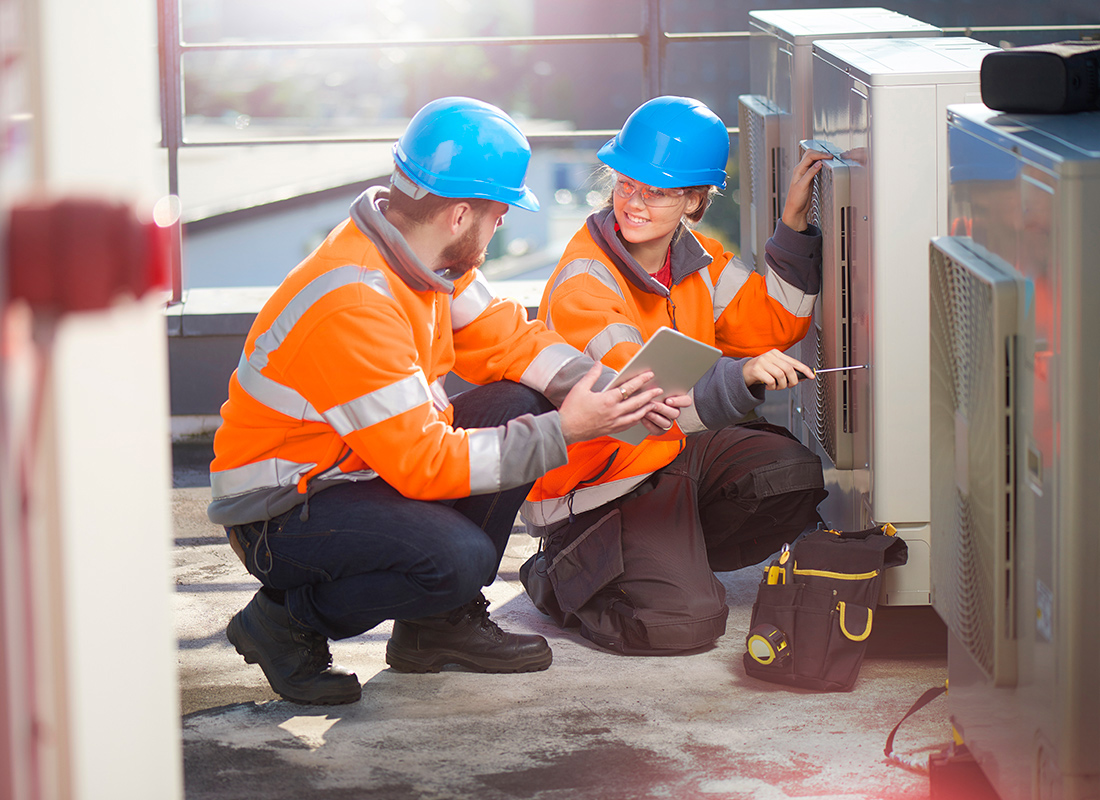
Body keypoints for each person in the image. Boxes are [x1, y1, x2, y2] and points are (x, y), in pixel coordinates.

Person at [208, 97, 680, 705]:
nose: (505, 223)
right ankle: (284, 621)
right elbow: (425, 465)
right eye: (500, 210)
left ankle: (435, 630)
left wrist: (605, 391)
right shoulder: (355, 301)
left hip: (351, 473)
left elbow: (511, 341)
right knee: (457, 558)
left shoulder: (422, 256)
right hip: (281, 514)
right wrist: (569, 430)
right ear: (460, 214)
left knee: (519, 400)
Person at [519, 96, 832, 655]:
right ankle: (561, 572)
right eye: (626, 184)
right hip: (601, 484)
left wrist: (793, 226)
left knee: (794, 475)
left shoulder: (697, 259)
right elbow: (639, 412)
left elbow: (775, 324)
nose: (634, 203)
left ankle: (662, 557)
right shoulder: (584, 285)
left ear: (693, 200)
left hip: (671, 454)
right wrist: (741, 378)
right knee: (681, 625)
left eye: (656, 191)